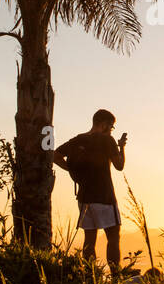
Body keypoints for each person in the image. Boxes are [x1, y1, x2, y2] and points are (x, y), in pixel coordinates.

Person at [54, 109, 127, 273]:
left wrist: (72, 171)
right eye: (111, 127)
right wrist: (121, 148)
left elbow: (55, 156)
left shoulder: (78, 140)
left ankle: (89, 276)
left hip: (84, 198)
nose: (111, 130)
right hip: (105, 197)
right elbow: (119, 166)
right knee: (113, 237)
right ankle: (115, 277)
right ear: (104, 124)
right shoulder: (107, 140)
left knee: (89, 241)